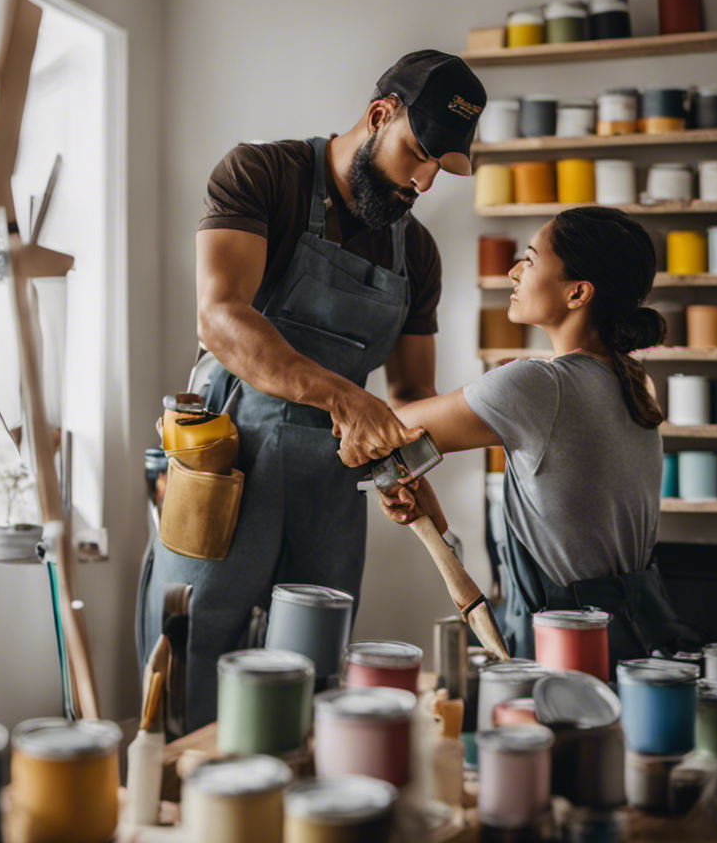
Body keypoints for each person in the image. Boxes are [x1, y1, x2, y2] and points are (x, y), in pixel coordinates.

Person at [137, 50, 487, 732]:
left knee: (314, 665)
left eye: (437, 171)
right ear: (380, 114)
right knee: (188, 651)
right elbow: (221, 316)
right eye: (416, 153)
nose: (420, 183)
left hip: (334, 474)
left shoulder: (415, 252)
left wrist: (407, 461)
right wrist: (346, 399)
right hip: (226, 457)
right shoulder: (265, 175)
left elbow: (411, 388)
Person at [366, 206, 699, 666]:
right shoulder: (635, 381)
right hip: (638, 641)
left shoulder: (538, 386)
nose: (512, 271)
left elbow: (383, 434)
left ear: (578, 292)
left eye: (530, 258)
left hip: (562, 650)